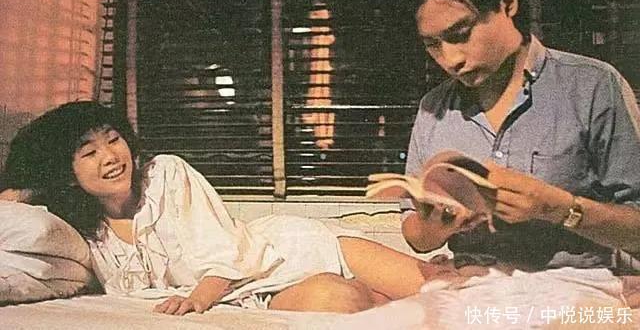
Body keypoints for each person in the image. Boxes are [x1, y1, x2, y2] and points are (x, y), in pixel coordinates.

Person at [0, 101, 460, 315]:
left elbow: (222, 249)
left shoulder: (165, 174)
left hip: (283, 251)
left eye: (113, 140)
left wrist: (198, 299)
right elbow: (16, 212)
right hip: (255, 293)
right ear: (67, 173)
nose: (110, 157)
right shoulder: (81, 232)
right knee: (346, 302)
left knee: (452, 293)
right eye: (88, 152)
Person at [401, 0, 640, 272]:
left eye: (461, 34)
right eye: (432, 45)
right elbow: (417, 237)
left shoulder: (593, 86)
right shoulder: (434, 108)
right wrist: (435, 226)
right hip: (467, 285)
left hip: (569, 286)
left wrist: (557, 208)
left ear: (508, 1)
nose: (451, 60)